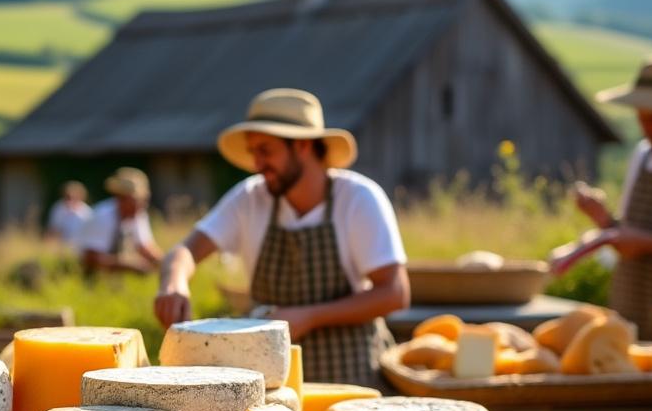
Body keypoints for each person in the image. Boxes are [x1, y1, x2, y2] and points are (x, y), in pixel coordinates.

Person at [154, 88, 409, 387]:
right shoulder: (250, 198)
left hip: (352, 376)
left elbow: (394, 292)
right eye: (253, 152)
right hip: (272, 379)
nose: (257, 163)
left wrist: (309, 316)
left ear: (302, 145)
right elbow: (185, 251)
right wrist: (173, 284)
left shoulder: (358, 199)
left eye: (265, 150)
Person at [550, 55, 652, 337]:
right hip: (631, 308)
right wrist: (603, 219)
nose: (648, 128)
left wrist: (644, 242)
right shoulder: (642, 156)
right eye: (642, 118)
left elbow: (635, 239)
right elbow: (624, 233)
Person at [75, 167, 163, 274]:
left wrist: (165, 262)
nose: (141, 205)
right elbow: (91, 258)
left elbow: (144, 247)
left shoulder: (138, 214)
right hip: (84, 272)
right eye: (135, 200)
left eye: (143, 200)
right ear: (120, 198)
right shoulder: (102, 216)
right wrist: (130, 265)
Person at [45, 180, 92, 244]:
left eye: (74, 197)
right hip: (60, 245)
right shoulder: (58, 208)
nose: (70, 200)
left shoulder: (87, 212)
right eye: (68, 197)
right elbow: (52, 230)